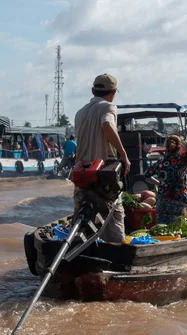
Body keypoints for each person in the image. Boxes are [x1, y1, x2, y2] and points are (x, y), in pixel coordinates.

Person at [73, 73, 131, 243]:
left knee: (81, 220)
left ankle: (79, 256)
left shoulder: (80, 112)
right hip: (103, 176)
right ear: (113, 93)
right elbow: (107, 125)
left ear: (93, 91)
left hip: (82, 175)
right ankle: (115, 256)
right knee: (114, 219)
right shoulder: (108, 107)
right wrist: (124, 154)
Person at [144, 135, 187, 224]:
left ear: (166, 147)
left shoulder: (160, 162)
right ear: (179, 147)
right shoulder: (182, 160)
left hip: (163, 198)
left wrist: (158, 183)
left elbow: (146, 176)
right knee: (176, 227)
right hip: (178, 198)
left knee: (161, 227)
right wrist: (182, 142)